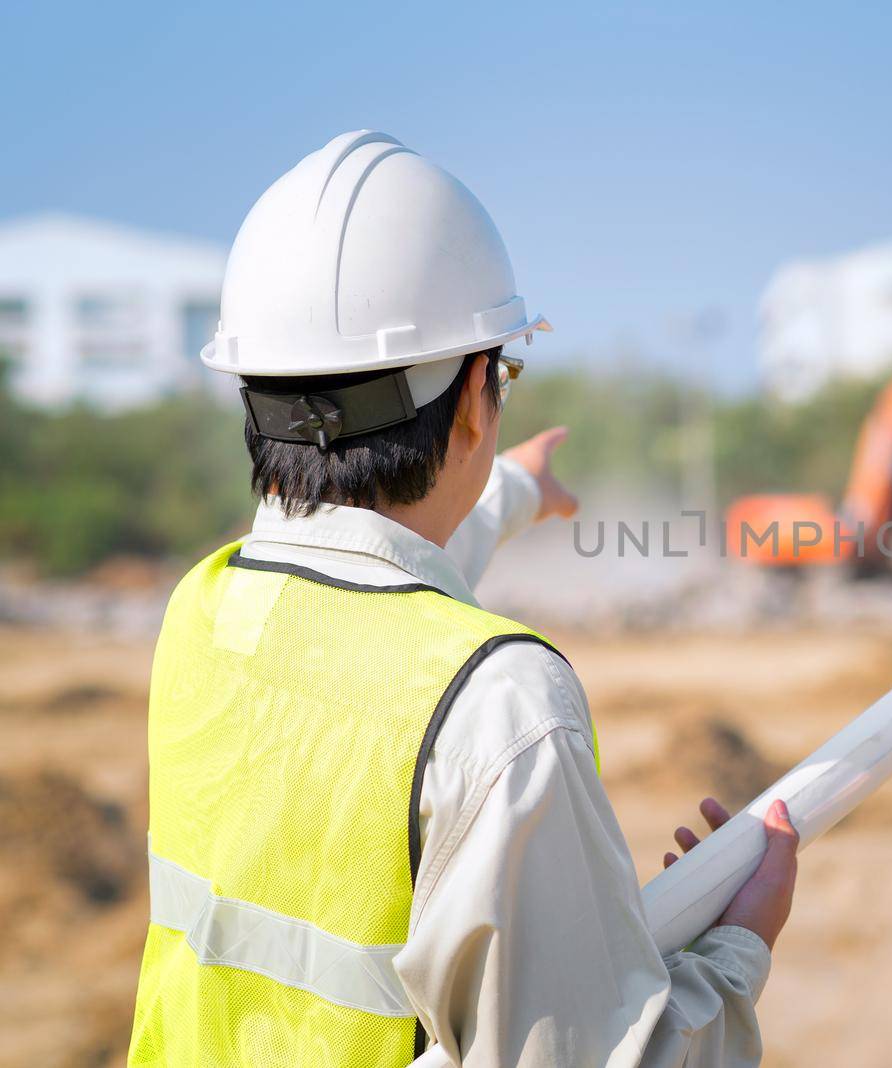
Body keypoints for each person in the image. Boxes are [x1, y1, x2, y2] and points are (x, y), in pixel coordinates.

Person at [128, 131, 799, 1067]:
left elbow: (370, 575)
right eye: (504, 372)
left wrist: (513, 492)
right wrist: (737, 946)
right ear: (479, 393)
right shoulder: (502, 708)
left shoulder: (203, 614)